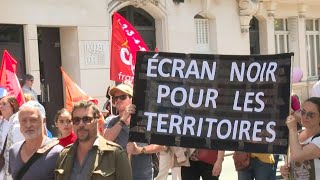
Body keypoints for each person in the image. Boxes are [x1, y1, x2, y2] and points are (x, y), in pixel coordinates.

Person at [55, 100, 132, 180]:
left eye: (86, 119)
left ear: (97, 121)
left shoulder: (116, 154)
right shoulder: (64, 155)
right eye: (76, 120)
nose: (81, 124)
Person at [104, 82, 165, 180]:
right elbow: (106, 139)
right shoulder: (110, 121)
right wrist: (123, 120)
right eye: (115, 98)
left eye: (122, 97)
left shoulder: (145, 120)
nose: (118, 100)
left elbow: (162, 145)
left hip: (143, 175)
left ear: (132, 99)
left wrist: (140, 150)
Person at [8, 101, 63, 180]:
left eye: (33, 120)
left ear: (43, 121)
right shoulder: (13, 150)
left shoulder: (57, 152)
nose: (28, 125)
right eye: (24, 121)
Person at [280, 97, 320, 179]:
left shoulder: (318, 139)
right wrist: (285, 172)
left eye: (311, 114)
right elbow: (292, 167)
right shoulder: (297, 136)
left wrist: (292, 129)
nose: (305, 117)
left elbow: (297, 155)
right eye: (303, 112)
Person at [0, 96, 24, 180]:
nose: (1, 107)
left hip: (14, 164)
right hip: (3, 165)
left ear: (13, 105)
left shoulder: (18, 122)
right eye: (0, 104)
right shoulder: (2, 122)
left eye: (4, 104)